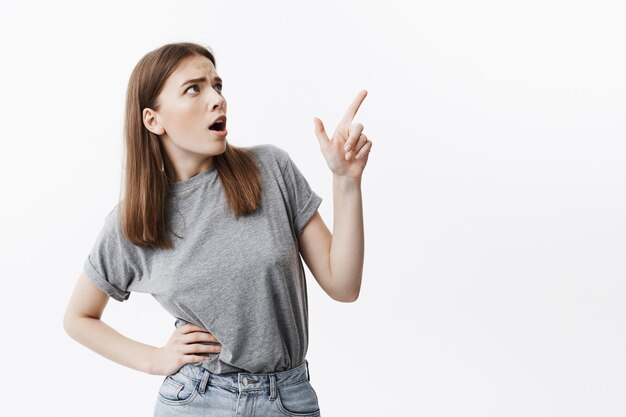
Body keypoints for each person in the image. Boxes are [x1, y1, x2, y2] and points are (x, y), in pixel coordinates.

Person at [63, 41, 372, 417]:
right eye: (194, 88)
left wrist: (345, 180)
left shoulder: (270, 170)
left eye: (217, 85)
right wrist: (156, 359)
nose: (217, 99)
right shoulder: (136, 219)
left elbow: (344, 285)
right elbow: (79, 318)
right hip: (195, 400)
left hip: (287, 400)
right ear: (153, 119)